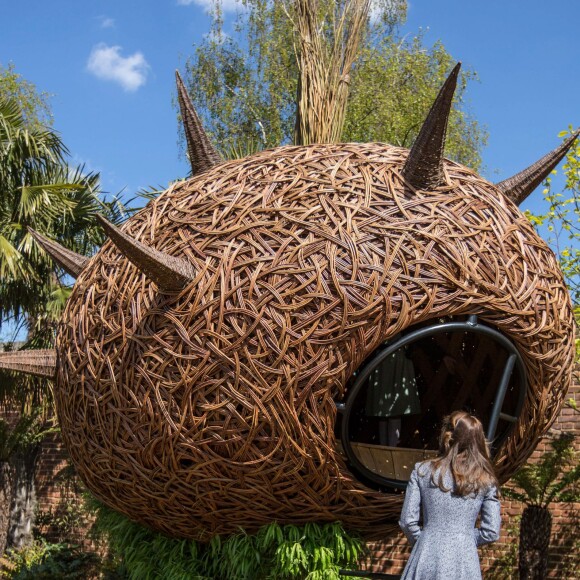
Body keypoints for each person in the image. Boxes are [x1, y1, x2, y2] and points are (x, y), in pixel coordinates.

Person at [399, 411, 501, 579]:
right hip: (464, 562)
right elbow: (491, 531)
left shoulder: (422, 471)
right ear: (479, 440)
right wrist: (464, 537)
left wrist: (427, 538)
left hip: (425, 556)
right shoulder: (486, 480)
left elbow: (407, 521)